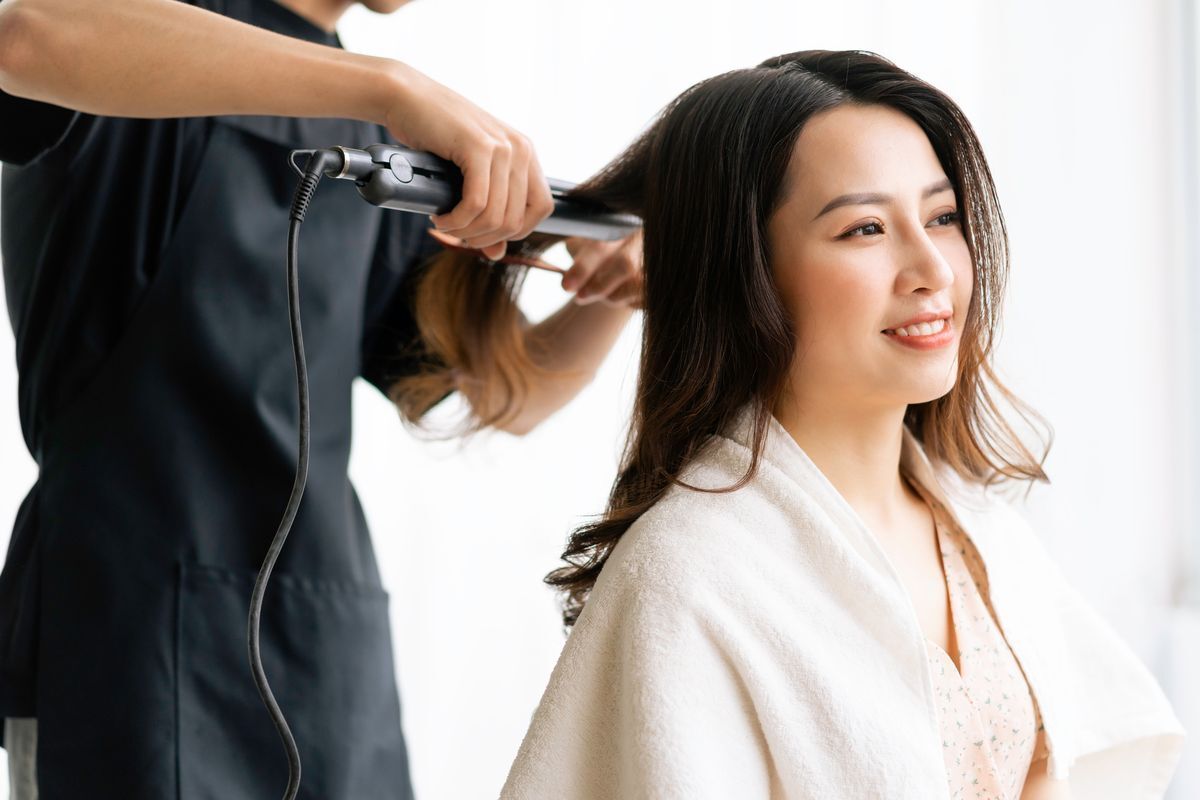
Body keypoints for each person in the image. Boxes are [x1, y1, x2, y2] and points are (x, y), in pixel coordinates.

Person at [497, 50, 1186, 799]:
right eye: (864, 229)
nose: (933, 269)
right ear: (743, 271)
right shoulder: (689, 577)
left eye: (943, 216)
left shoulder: (981, 533)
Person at [0, 0, 643, 796]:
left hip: (324, 644)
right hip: (125, 634)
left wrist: (613, 294)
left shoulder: (380, 135)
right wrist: (386, 87)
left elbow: (502, 394)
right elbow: (20, 38)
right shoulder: (144, 35)